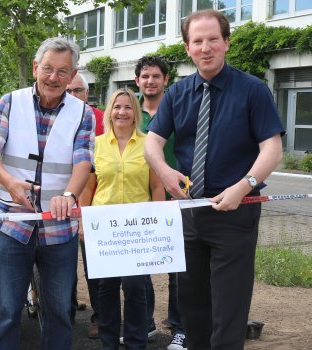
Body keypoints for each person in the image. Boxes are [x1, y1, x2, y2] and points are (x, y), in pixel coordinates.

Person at [145, 9, 284, 349]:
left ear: (226, 43)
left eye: (212, 39)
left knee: (229, 308)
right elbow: (152, 142)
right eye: (197, 41)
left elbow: (273, 148)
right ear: (187, 48)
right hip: (191, 212)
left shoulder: (253, 90)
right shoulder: (177, 94)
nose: (205, 47)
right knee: (192, 308)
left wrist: (244, 186)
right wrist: (164, 172)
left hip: (235, 212)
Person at [0, 37, 95, 349]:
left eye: (63, 71)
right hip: (13, 221)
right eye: (47, 69)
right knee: (6, 310)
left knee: (59, 311)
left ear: (72, 76)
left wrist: (70, 196)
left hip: (59, 226)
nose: (54, 77)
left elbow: (84, 162)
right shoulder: (10, 101)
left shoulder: (83, 113)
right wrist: (9, 181)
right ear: (35, 68)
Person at [81, 88, 165, 350]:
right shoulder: (96, 144)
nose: (122, 112)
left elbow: (158, 188)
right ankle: (108, 344)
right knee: (105, 290)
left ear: (135, 112)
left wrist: (159, 219)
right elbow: (86, 188)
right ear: (109, 111)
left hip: (136, 229)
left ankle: (136, 343)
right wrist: (83, 221)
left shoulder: (148, 144)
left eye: (128, 107)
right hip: (103, 228)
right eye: (117, 107)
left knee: (135, 287)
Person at [134, 55, 185, 349]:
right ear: (137, 80)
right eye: (145, 76)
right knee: (141, 264)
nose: (150, 81)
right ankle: (147, 321)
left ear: (166, 79)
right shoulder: (130, 113)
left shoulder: (178, 109)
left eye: (156, 76)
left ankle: (180, 325)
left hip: (178, 197)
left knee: (178, 266)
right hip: (141, 200)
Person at [65, 72, 104, 339]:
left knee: (94, 264)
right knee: (63, 262)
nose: (72, 95)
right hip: (57, 201)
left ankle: (99, 317)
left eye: (77, 90)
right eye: (67, 91)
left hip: (92, 200)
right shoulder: (52, 116)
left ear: (86, 93)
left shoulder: (100, 118)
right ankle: (65, 309)